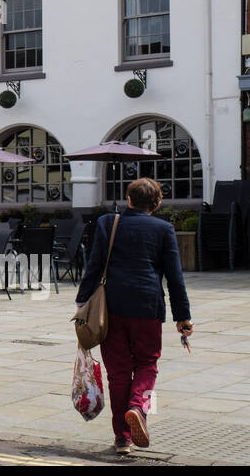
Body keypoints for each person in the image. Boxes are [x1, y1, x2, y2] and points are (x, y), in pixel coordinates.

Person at [76, 177, 192, 456]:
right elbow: (175, 277)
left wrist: (82, 301)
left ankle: (122, 439)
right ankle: (138, 406)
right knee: (147, 364)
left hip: (111, 308)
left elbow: (94, 264)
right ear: (157, 203)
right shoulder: (164, 229)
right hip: (147, 306)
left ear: (128, 199)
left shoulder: (108, 223)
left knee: (117, 373)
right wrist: (183, 316)